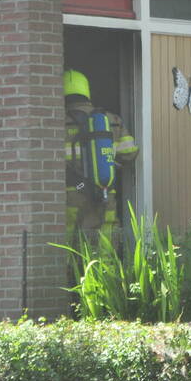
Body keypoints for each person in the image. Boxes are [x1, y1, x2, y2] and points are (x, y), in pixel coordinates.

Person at [63, 68, 139, 247]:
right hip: (105, 192)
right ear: (87, 91)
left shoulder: (56, 121)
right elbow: (130, 153)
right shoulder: (110, 120)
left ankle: (70, 275)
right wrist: (107, 165)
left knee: (68, 246)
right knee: (106, 242)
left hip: (71, 197)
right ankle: (105, 274)